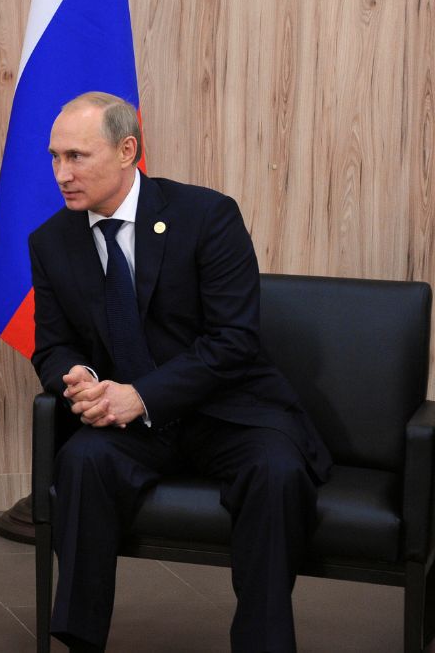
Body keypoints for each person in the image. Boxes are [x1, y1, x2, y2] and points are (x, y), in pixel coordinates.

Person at [27, 91, 332, 653]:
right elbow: (53, 345)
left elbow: (233, 341)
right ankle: (79, 640)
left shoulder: (206, 216)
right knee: (81, 462)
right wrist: (79, 377)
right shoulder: (51, 241)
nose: (61, 174)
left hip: (228, 409)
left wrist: (142, 395)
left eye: (76, 157)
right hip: (129, 423)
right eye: (55, 158)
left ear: (127, 151)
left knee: (277, 472)